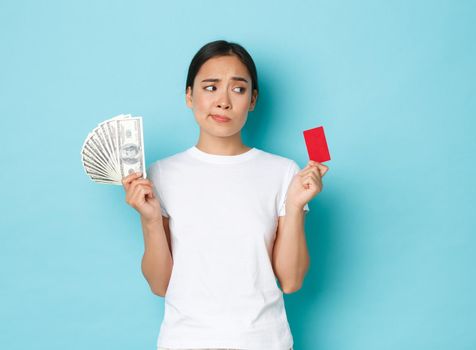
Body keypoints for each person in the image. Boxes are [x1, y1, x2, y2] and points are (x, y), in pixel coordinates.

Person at [121, 40, 329, 350]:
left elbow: (291, 281)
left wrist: (296, 205)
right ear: (189, 95)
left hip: (264, 341)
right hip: (185, 342)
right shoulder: (161, 174)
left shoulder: (283, 172)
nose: (223, 102)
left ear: (253, 99)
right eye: (210, 87)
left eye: (238, 89)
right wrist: (150, 220)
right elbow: (159, 284)